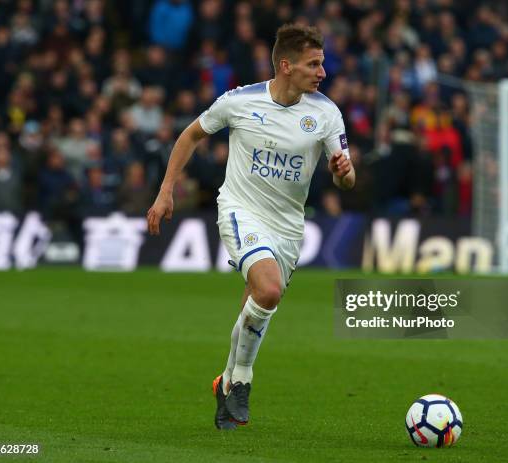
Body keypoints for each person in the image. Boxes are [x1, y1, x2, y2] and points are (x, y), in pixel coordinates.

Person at [146, 24, 355, 430]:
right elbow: (190, 136)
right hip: (241, 209)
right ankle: (241, 379)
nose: (322, 72)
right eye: (314, 64)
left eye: (322, 63)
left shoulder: (326, 113)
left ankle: (224, 381)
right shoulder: (239, 101)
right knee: (268, 289)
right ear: (286, 65)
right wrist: (165, 191)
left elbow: (347, 179)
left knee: (255, 304)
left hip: (289, 226)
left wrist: (343, 171)